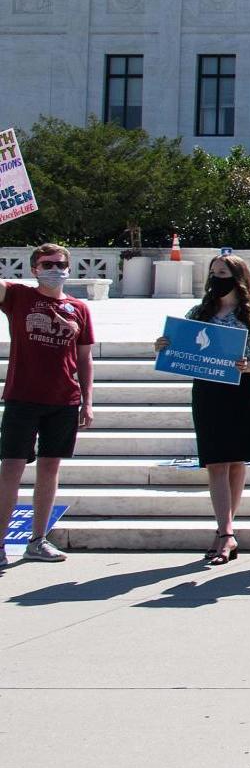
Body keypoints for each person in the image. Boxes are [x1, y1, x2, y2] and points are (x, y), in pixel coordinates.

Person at [158, 254, 250, 566]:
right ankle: (225, 532)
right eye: (213, 273)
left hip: (240, 389)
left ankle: (226, 529)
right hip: (208, 390)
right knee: (217, 462)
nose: (216, 278)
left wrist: (247, 366)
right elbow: (184, 346)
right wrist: (165, 346)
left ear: (238, 277)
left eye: (222, 273)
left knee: (237, 461)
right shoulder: (199, 311)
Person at [1, 242, 93, 568]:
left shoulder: (78, 308)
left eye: (60, 264)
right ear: (34, 269)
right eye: (47, 264)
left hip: (64, 399)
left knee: (49, 469)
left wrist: (87, 401)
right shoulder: (18, 296)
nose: (55, 270)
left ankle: (38, 540)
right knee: (11, 468)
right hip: (22, 396)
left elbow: (84, 358)